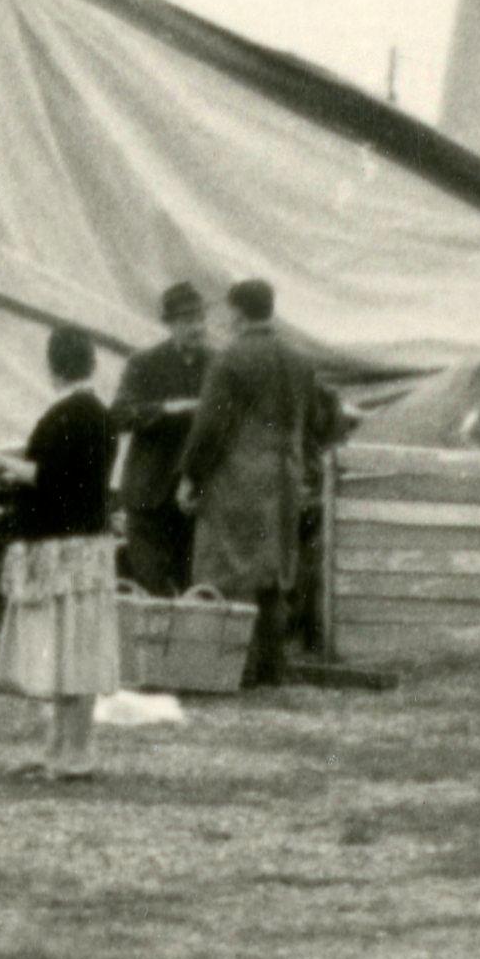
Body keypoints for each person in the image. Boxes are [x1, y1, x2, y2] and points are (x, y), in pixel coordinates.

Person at [0, 324, 124, 780]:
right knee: (77, 650)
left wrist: (4, 465)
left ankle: (73, 753)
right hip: (89, 546)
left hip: (60, 548)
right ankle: (62, 749)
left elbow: (49, 477)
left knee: (66, 653)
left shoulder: (64, 415)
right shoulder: (101, 415)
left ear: (54, 366)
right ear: (91, 364)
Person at [180, 277, 313, 690]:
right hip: (285, 479)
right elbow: (318, 421)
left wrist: (191, 475)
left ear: (237, 311)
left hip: (237, 478)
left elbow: (209, 428)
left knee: (228, 570)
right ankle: (272, 669)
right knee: (272, 574)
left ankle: (235, 670)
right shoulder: (299, 361)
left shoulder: (230, 359)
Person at [109, 275, 210, 597]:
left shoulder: (217, 365)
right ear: (170, 324)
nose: (196, 327)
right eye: (187, 320)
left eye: (199, 318)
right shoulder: (145, 363)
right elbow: (119, 415)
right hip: (148, 498)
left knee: (193, 592)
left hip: (194, 500)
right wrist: (166, 410)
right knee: (152, 590)